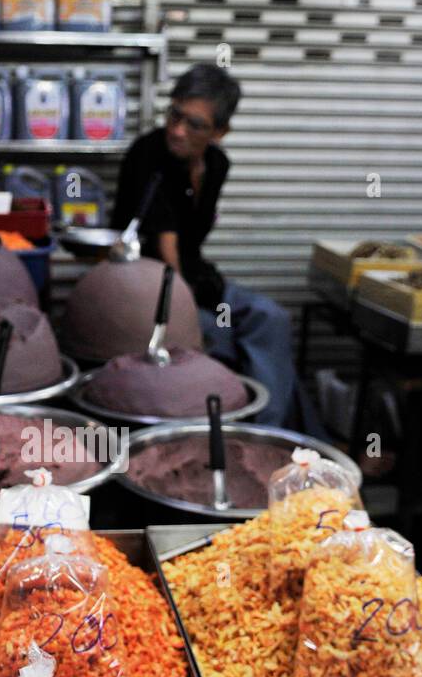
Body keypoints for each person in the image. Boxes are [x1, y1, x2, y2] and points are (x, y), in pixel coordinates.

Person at [112, 63, 322, 433]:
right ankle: (252, 431)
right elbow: (166, 241)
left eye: (195, 125)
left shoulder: (217, 165)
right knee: (219, 337)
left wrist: (196, 291)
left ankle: (265, 433)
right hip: (152, 284)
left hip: (197, 276)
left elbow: (192, 244)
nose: (177, 131)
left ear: (220, 132)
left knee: (270, 319)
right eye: (175, 115)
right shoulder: (147, 155)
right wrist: (185, 305)